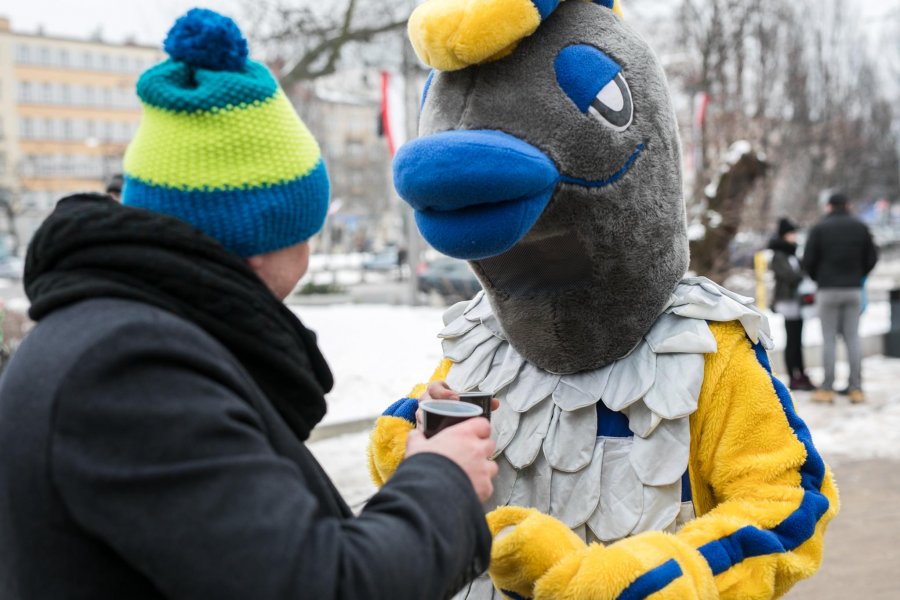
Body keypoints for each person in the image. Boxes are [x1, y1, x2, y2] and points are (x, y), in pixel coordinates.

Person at [0, 9, 497, 599]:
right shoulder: (130, 372)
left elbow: (277, 553)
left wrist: (421, 463)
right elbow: (323, 586)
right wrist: (442, 479)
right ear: (263, 237)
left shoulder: (123, 341)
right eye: (305, 226)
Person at [368, 1, 838, 599]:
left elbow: (787, 504)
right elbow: (405, 450)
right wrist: (418, 437)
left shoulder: (706, 343)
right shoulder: (481, 342)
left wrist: (646, 579)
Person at [803, 192, 879, 403]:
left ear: (829, 207)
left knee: (828, 340)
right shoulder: (860, 227)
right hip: (853, 290)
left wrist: (819, 278)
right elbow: (872, 257)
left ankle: (827, 388)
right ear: (848, 205)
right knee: (852, 338)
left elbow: (807, 260)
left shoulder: (819, 228)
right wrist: (859, 274)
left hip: (827, 290)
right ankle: (856, 389)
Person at [768, 218, 815, 390]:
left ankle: (801, 373)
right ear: (784, 236)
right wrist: (802, 273)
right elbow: (790, 277)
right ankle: (793, 377)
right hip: (788, 302)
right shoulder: (779, 255)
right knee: (792, 339)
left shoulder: (791, 254)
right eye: (791, 234)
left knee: (798, 338)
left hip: (797, 301)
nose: (794, 237)